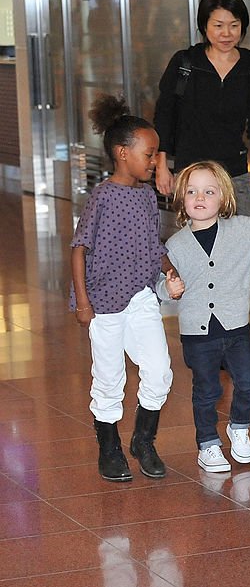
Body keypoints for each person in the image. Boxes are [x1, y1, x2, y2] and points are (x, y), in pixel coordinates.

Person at [70, 95, 182, 482]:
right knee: (110, 377)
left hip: (139, 297)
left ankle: (144, 440)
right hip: (103, 304)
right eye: (150, 154)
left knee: (159, 370)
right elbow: (79, 248)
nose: (155, 162)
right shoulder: (102, 196)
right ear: (122, 153)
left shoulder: (147, 197)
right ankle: (109, 447)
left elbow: (153, 245)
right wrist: (83, 302)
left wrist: (169, 270)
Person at [159, 160, 250, 473]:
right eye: (191, 191)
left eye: (208, 191)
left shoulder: (241, 230)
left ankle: (239, 426)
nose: (199, 197)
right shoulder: (175, 245)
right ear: (181, 199)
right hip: (196, 333)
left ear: (224, 199)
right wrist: (169, 288)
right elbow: (160, 287)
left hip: (235, 329)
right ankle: (208, 443)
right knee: (207, 390)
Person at [153, 0, 250, 217]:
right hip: (190, 175)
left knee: (240, 247)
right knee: (197, 248)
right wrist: (162, 164)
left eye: (234, 25)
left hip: (234, 176)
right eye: (218, 26)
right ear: (204, 27)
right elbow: (165, 114)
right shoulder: (184, 64)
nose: (226, 33)